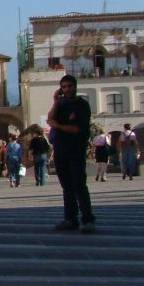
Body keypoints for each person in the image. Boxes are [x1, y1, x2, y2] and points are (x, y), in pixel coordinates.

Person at [48, 74, 95, 232]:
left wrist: (57, 126)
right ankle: (70, 219)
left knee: (79, 184)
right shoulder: (61, 104)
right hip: (61, 149)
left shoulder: (82, 105)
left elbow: (76, 129)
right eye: (64, 87)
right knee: (66, 186)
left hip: (76, 149)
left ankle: (87, 219)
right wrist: (55, 102)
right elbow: (50, 118)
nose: (67, 89)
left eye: (69, 86)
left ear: (75, 87)